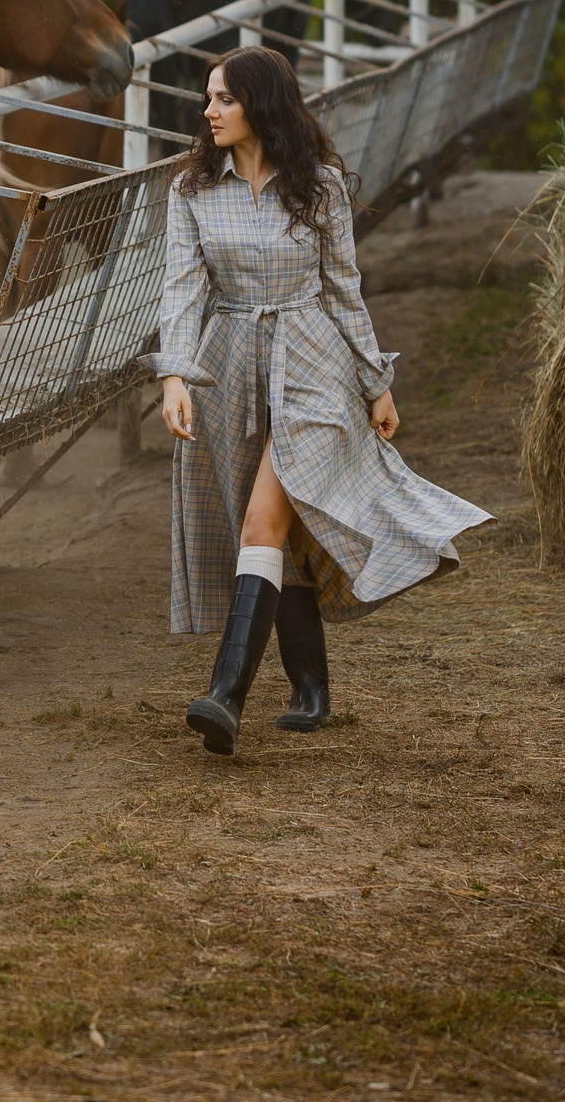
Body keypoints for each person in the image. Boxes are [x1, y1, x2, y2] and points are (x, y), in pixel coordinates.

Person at [152, 46, 489, 755]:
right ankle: (311, 682)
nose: (208, 111)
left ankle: (224, 696)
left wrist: (375, 380)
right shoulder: (191, 191)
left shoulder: (319, 186)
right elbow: (182, 290)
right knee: (284, 526)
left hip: (312, 360)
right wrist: (174, 375)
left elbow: (344, 288)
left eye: (224, 99)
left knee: (262, 520)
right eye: (207, 98)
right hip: (229, 362)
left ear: (261, 106)